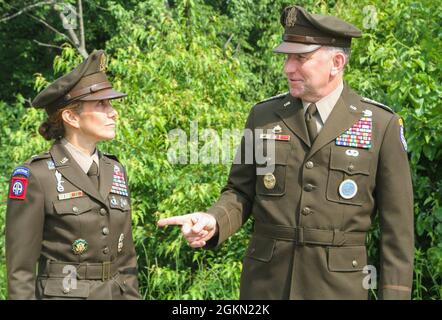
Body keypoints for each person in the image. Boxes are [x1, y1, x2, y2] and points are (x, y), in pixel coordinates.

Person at [158, 6, 414, 300]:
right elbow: (240, 193)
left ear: (337, 62)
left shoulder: (380, 125)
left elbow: (398, 230)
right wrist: (214, 220)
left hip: (339, 289)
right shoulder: (263, 116)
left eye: (301, 58)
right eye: (287, 57)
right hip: (265, 285)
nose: (288, 68)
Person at [6, 50, 140, 300]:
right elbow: (20, 272)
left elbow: (126, 261)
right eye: (101, 104)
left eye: (110, 103)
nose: (113, 112)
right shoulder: (35, 176)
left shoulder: (115, 170)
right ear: (70, 116)